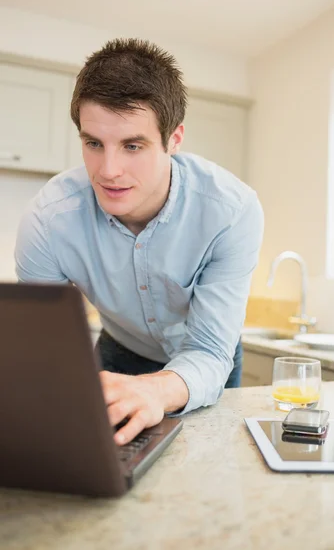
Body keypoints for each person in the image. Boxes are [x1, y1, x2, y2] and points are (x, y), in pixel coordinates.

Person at [15, 38, 264, 445]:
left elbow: (209, 348)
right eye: (93, 143)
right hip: (119, 350)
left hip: (207, 357)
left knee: (209, 464)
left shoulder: (232, 212)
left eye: (133, 145)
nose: (108, 171)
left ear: (174, 139)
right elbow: (51, 352)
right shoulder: (47, 223)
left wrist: (157, 389)